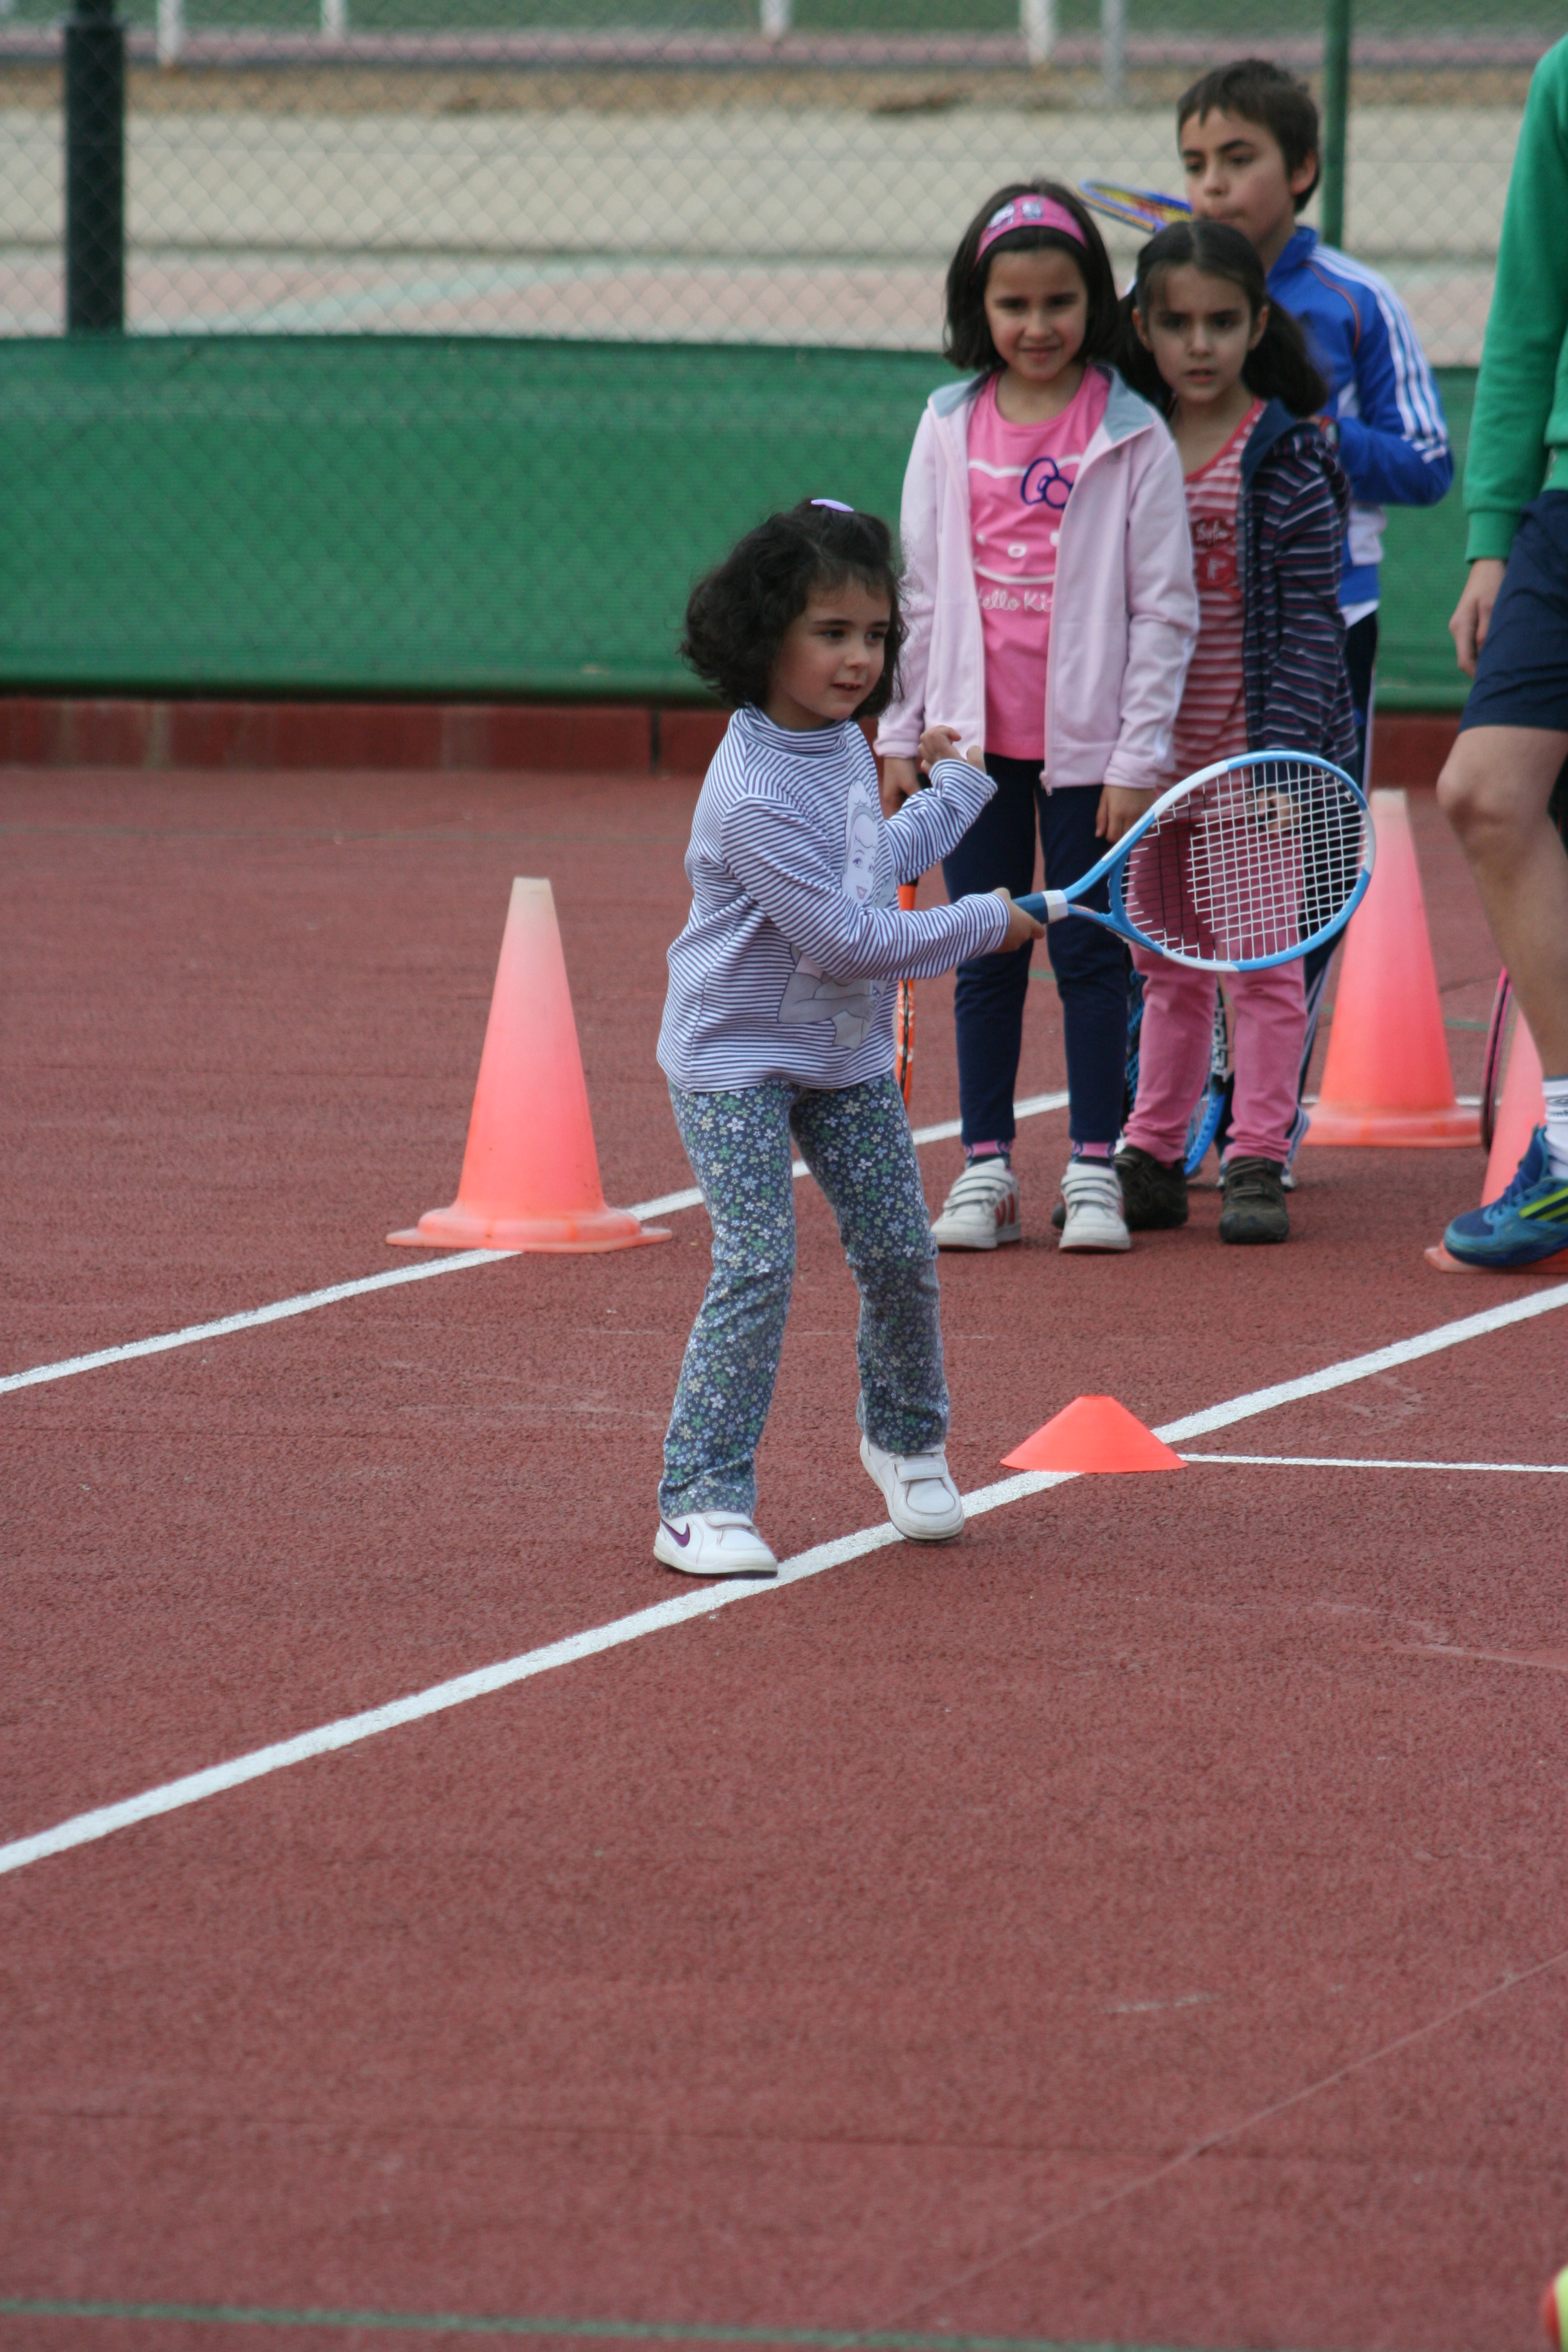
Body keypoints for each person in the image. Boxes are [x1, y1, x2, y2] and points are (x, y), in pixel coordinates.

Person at [654, 498, 1044, 1578]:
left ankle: (907, 1443)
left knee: (900, 1253)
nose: (860, 659)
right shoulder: (752, 794)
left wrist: (958, 787)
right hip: (732, 1060)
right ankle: (699, 1499)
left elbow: (871, 867)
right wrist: (988, 922)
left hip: (840, 1056)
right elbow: (847, 939)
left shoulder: (837, 747)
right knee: (757, 1265)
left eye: (875, 634)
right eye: (831, 633)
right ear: (763, 634)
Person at [877, 181, 1197, 1253]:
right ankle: (986, 1171)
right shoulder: (945, 424)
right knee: (987, 949)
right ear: (980, 308)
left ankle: (1095, 1168)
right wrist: (899, 733)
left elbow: (1164, 610)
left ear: (1095, 301)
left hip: (1092, 760)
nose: (1038, 324)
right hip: (971, 755)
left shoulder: (1133, 432)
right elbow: (919, 594)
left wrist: (1138, 755)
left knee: (1094, 956)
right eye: (1013, 304)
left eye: (1060, 301)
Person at [1177, 58, 1452, 1155]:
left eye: (1238, 159)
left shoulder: (1355, 301)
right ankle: (1174, 1099)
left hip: (1326, 622)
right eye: (1195, 162)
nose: (1213, 183)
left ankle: (1263, 1105)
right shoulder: (1168, 304)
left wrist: (1312, 428)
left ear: (1302, 169)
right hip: (1190, 634)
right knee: (1176, 856)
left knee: (1313, 850)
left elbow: (1426, 464)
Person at [1114, 220, 1356, 1244]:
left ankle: (1257, 1154)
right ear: (1143, 329)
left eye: (1222, 322)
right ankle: (1153, 1151)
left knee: (1261, 970)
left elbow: (1313, 626)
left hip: (1253, 771)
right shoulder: (1124, 447)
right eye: (1177, 324)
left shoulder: (1286, 456)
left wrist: (1282, 768)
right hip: (1150, 771)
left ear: (1259, 325)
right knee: (1163, 969)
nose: (1200, 344)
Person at [1436, 33, 1568, 1269]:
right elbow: (1528, 312)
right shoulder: (1564, 75)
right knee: (1487, 793)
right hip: (1566, 509)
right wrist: (1492, 537)